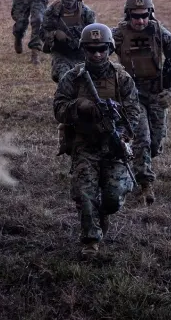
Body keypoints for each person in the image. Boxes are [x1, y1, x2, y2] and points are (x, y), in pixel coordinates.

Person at [53, 23, 140, 257]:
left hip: (114, 146)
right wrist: (78, 106)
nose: (97, 54)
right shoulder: (73, 77)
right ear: (84, 50)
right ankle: (90, 239)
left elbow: (133, 113)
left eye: (102, 49)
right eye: (91, 49)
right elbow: (58, 108)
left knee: (112, 199)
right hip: (84, 144)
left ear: (110, 49)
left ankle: (104, 215)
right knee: (85, 193)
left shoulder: (122, 79)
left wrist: (121, 136)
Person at [112, 0, 171, 204]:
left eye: (144, 15)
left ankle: (133, 159)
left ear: (150, 14)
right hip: (131, 94)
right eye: (135, 16)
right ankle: (145, 184)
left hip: (156, 93)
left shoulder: (160, 34)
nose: (140, 20)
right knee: (142, 139)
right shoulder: (118, 35)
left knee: (155, 144)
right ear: (128, 15)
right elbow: (95, 52)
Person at [40, 0, 96, 83]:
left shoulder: (86, 13)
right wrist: (54, 34)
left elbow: (94, 37)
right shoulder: (52, 11)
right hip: (62, 56)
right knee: (65, 80)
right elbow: (42, 33)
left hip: (82, 56)